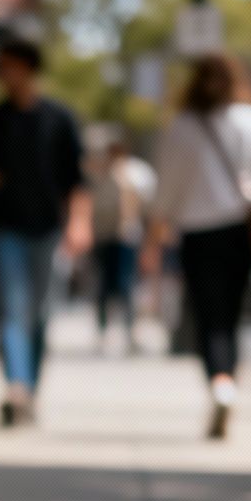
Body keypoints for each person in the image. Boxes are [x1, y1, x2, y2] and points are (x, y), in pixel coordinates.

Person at [142, 53, 251, 440]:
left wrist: (153, 239)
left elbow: (165, 195)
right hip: (240, 231)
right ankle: (229, 382)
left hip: (197, 234)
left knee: (209, 317)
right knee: (231, 315)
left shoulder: (181, 127)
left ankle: (220, 382)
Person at [0, 38, 90, 425]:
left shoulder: (59, 119)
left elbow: (75, 181)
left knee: (41, 312)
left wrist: (80, 223)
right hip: (3, 229)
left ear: (29, 68)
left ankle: (29, 385)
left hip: (47, 229)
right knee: (12, 309)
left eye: (10, 66)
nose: (4, 74)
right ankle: (17, 385)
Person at [86, 135, 157, 350]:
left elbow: (147, 204)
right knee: (102, 284)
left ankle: (130, 330)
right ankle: (103, 329)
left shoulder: (137, 172)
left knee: (127, 284)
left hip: (127, 235)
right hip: (103, 235)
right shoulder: (98, 173)